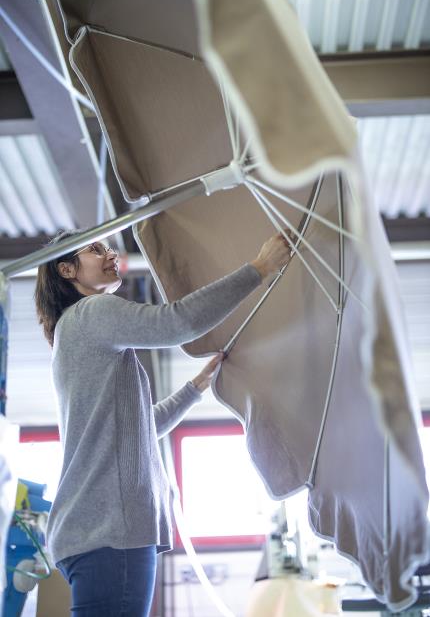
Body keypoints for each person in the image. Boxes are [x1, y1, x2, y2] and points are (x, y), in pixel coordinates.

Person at [34, 228, 293, 617]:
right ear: (67, 270)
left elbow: (137, 429)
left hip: (96, 533)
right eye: (94, 250)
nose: (109, 254)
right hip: (110, 531)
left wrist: (195, 388)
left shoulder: (76, 330)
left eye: (107, 246)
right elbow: (177, 322)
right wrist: (260, 268)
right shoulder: (92, 313)